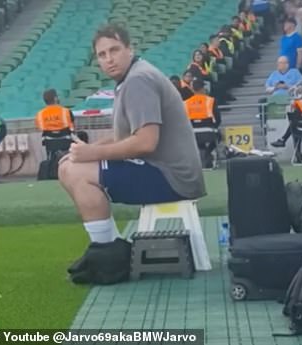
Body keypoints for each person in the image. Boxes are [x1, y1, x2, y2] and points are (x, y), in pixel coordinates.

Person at [58, 24, 205, 283]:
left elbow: (145, 143)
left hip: (172, 177)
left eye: (114, 50)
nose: (109, 59)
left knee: (76, 170)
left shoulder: (138, 80)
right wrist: (87, 151)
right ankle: (109, 248)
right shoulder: (132, 78)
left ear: (130, 49)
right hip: (166, 170)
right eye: (102, 55)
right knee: (67, 163)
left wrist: (91, 153)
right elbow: (125, 137)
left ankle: (109, 258)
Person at [184, 78, 221, 169]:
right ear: (202, 88)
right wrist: (214, 127)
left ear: (192, 89)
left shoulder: (185, 103)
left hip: (191, 133)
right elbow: (218, 119)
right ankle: (207, 153)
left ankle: (202, 154)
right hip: (209, 132)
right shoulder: (210, 100)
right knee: (219, 136)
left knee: (198, 142)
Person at [35, 89, 76, 157]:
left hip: (50, 144)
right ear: (55, 98)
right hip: (66, 142)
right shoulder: (66, 111)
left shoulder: (40, 114)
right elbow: (73, 128)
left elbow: (41, 128)